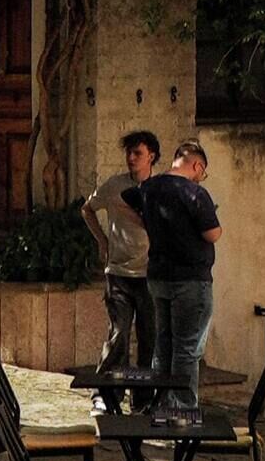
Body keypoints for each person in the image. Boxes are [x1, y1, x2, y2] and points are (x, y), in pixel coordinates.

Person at [133, 135, 220, 428]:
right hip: (190, 279)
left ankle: (161, 405)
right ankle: (182, 410)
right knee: (187, 348)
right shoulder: (194, 193)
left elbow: (130, 202)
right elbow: (212, 233)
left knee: (164, 343)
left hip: (158, 276)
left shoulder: (149, 188)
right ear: (197, 166)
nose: (201, 178)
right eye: (202, 173)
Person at [84, 130, 160, 390]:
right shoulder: (114, 186)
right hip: (118, 274)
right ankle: (107, 393)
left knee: (149, 339)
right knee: (119, 335)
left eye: (137, 153)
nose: (131, 158)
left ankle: (143, 397)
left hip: (149, 275)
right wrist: (102, 241)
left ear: (151, 156)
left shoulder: (159, 189)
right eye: (129, 152)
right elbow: (87, 209)